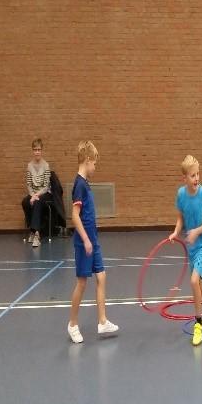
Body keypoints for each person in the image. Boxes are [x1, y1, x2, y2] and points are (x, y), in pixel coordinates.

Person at [67, 141, 119, 344]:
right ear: (87, 160)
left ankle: (102, 321)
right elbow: (75, 216)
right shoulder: (79, 185)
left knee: (102, 276)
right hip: (84, 242)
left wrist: (93, 240)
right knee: (82, 282)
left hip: (93, 240)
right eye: (94, 163)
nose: (95, 168)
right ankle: (72, 324)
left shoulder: (85, 183)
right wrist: (86, 240)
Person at [169, 155, 202, 346]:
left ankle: (197, 323)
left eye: (198, 174)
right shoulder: (181, 194)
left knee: (193, 281)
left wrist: (197, 231)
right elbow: (180, 218)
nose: (196, 178)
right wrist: (175, 232)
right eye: (192, 175)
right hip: (191, 247)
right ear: (185, 178)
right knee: (199, 285)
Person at [22, 138, 53, 248]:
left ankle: (37, 234)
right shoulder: (29, 166)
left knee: (38, 202)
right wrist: (32, 195)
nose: (37, 152)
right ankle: (31, 229)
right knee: (25, 202)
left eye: (39, 149)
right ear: (32, 151)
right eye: (35, 150)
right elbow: (29, 184)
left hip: (44, 193)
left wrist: (36, 196)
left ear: (42, 150)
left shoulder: (46, 165)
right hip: (33, 194)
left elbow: (46, 186)